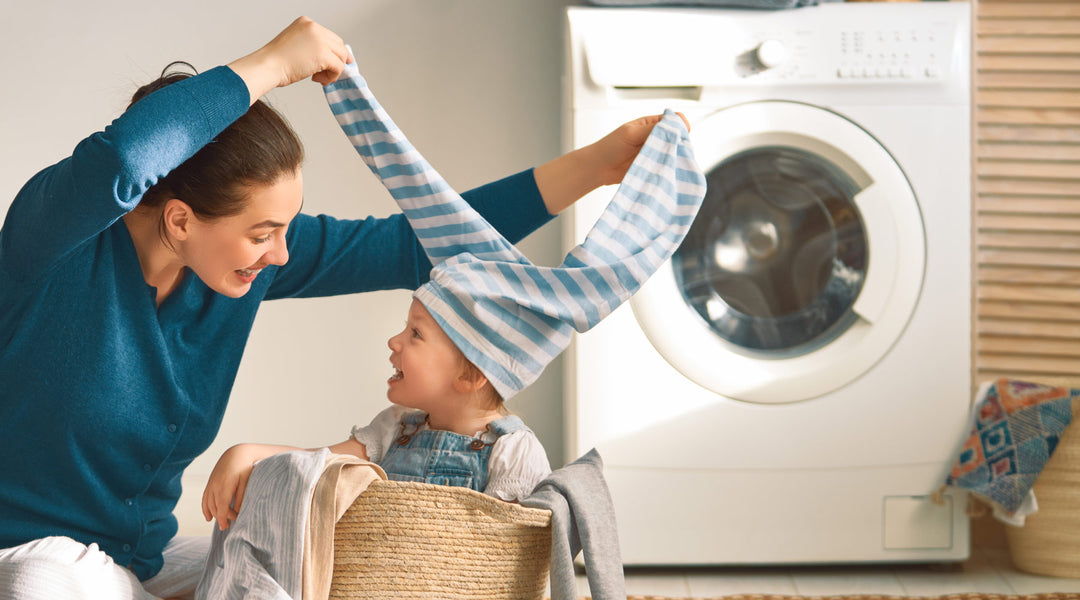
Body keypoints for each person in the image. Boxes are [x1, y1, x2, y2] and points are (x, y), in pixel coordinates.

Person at [0, 16, 672, 600]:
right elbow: (119, 158)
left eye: (286, 229)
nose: (283, 255)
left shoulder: (236, 272)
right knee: (47, 583)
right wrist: (271, 64)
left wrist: (600, 164)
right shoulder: (49, 253)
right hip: (33, 560)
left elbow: (415, 245)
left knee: (322, 561)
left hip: (139, 566)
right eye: (263, 233)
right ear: (179, 221)